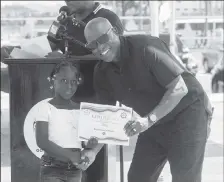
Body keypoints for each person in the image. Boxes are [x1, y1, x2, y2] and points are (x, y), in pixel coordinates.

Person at [83, 17, 214, 182]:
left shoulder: (146, 47)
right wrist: (92, 152)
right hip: (153, 120)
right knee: (138, 178)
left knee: (184, 178)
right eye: (92, 45)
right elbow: (107, 119)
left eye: (103, 39)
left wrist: (148, 121)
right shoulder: (101, 72)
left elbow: (179, 88)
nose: (100, 47)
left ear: (115, 32)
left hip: (187, 114)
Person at [47, 2, 124, 182]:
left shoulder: (107, 18)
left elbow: (111, 53)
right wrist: (51, 47)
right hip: (70, 98)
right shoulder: (65, 20)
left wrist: (70, 59)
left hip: (96, 96)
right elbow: (54, 47)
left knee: (94, 159)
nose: (68, 2)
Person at [34, 61, 99, 182]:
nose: (69, 86)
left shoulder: (81, 110)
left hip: (75, 170)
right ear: (53, 81)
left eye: (74, 82)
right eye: (64, 81)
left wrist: (90, 146)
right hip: (52, 168)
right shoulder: (45, 108)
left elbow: (82, 142)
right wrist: (71, 155)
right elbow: (42, 141)